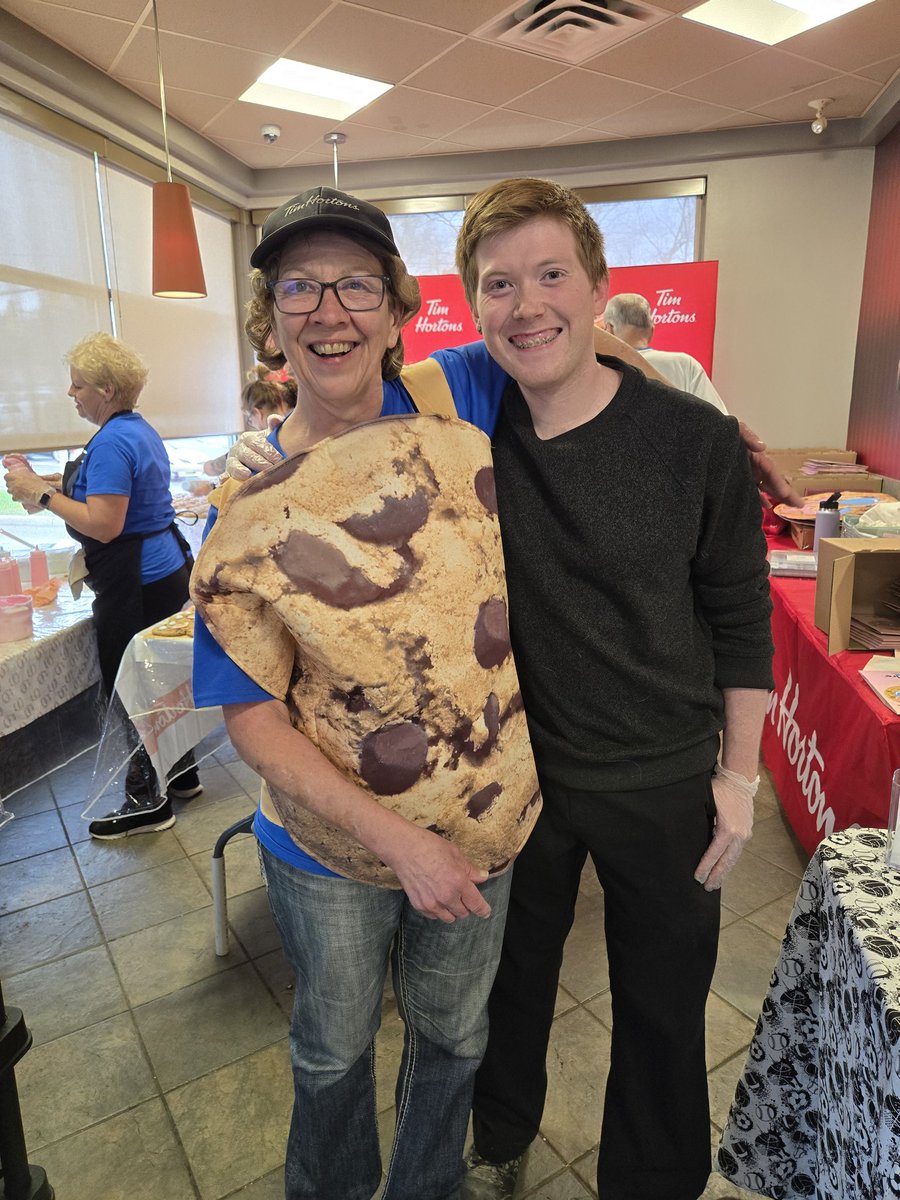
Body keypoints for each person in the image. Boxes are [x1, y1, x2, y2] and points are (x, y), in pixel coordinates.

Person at [189, 186, 541, 1200]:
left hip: (486, 822)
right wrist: (400, 844)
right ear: (270, 322)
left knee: (454, 1037)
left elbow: (588, 355)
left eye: (355, 284)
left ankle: (426, 1189)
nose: (328, 311)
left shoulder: (461, 396)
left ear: (396, 310)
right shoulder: (244, 506)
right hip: (328, 851)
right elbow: (251, 719)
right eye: (300, 287)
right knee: (332, 1051)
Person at [448, 179, 774, 1200]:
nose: (526, 304)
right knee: (508, 990)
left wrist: (740, 778)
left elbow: (740, 618)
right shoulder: (469, 436)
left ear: (598, 288)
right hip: (523, 778)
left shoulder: (694, 441)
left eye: (551, 275)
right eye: (498, 284)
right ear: (474, 305)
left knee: (666, 1013)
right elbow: (369, 372)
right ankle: (499, 1139)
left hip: (666, 779)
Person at [3, 332, 201, 838]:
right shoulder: (136, 430)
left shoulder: (112, 440)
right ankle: (180, 773)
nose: (72, 395)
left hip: (134, 580)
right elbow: (109, 490)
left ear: (108, 390)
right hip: (165, 569)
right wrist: (48, 483)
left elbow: (105, 523)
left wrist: (40, 497)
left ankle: (145, 803)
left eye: (78, 386)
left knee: (129, 684)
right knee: (161, 680)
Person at [601, 291, 728, 413]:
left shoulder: (604, 371)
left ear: (609, 330)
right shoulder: (685, 365)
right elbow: (718, 419)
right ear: (651, 330)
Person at [241, 364, 297, 430]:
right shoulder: (302, 422)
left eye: (250, 419)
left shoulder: (273, 438)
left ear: (257, 413)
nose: (253, 424)